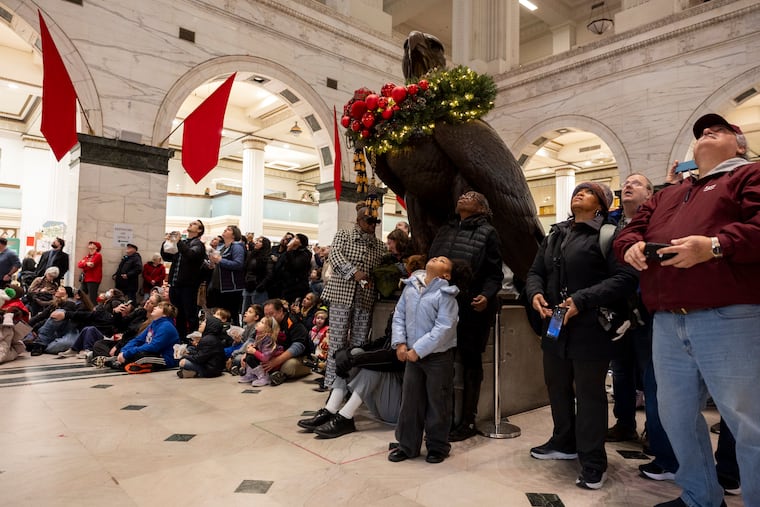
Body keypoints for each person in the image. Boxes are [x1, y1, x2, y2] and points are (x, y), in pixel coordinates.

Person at [615, 113, 760, 507]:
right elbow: (632, 227)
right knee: (675, 418)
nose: (705, 133)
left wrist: (714, 245)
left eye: (718, 130)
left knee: (748, 424)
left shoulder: (749, 176)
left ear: (740, 144)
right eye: (699, 133)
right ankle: (700, 495)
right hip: (667, 320)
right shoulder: (669, 194)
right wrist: (628, 245)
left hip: (729, 315)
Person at [526, 182, 638, 490]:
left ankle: (592, 461)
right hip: (556, 322)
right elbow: (535, 272)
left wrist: (582, 299)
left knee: (589, 395)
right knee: (556, 384)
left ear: (600, 205)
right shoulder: (555, 234)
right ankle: (563, 441)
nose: (580, 193)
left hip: (591, 326)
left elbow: (626, 278)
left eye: (588, 192)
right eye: (577, 190)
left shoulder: (609, 235)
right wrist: (535, 293)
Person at [428, 191, 504, 441]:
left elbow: (495, 273)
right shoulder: (445, 228)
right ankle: (442, 417)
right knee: (443, 361)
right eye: (461, 195)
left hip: (472, 306)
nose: (463, 197)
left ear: (482, 208)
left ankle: (468, 420)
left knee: (470, 362)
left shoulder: (488, 232)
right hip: (442, 305)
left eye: (471, 196)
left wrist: (487, 295)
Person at [387, 256, 466, 464]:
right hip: (412, 353)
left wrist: (419, 350)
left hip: (438, 357)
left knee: (438, 402)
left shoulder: (446, 294)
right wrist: (400, 343)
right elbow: (399, 315)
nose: (436, 257)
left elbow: (444, 327)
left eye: (443, 260)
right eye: (436, 256)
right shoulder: (411, 286)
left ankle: (437, 446)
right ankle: (407, 445)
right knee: (410, 402)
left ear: (446, 274)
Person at [298, 312, 405, 439]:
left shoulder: (411, 339)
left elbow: (392, 359)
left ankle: (345, 417)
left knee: (373, 366)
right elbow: (375, 345)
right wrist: (345, 353)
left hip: (397, 410)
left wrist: (353, 360)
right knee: (356, 353)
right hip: (380, 406)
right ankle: (330, 410)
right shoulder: (391, 333)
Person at [606, 174, 655, 444]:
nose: (628, 185)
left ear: (649, 194)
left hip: (645, 306)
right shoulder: (610, 221)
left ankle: (655, 430)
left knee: (650, 371)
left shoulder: (656, 220)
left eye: (636, 183)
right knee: (621, 369)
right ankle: (624, 424)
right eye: (626, 182)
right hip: (616, 306)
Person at [320, 206, 387, 389]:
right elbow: (335, 256)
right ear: (358, 220)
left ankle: (352, 384)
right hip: (341, 294)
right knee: (337, 341)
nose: (373, 225)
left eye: (376, 222)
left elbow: (382, 268)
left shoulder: (380, 246)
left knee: (360, 343)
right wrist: (354, 273)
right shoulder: (344, 235)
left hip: (365, 297)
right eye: (369, 221)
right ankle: (333, 383)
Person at [161, 220, 207, 336]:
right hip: (175, 283)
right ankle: (180, 337)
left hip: (188, 285)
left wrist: (179, 242)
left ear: (200, 230)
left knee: (190, 314)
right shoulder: (182, 243)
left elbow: (191, 255)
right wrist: (166, 242)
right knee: (178, 314)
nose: (191, 224)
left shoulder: (198, 244)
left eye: (195, 224)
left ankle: (193, 339)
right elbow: (167, 257)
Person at [116, 301, 180, 373]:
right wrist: (124, 351)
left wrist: (127, 354)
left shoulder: (166, 326)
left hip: (165, 358)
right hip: (152, 353)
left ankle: (126, 362)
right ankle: (125, 362)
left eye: (159, 307)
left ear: (165, 314)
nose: (155, 307)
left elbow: (153, 347)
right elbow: (138, 340)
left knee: (140, 355)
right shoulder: (154, 323)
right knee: (127, 351)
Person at [259, 299, 311, 385]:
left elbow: (298, 346)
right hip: (272, 354)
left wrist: (276, 361)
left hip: (296, 357)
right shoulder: (266, 322)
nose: (268, 317)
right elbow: (255, 339)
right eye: (266, 315)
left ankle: (281, 374)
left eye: (271, 314)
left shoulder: (292, 321)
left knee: (289, 367)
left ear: (280, 311)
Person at [206, 225, 246, 325]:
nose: (225, 230)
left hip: (230, 287)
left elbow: (238, 264)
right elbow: (218, 264)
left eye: (229, 230)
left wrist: (220, 260)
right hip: (218, 286)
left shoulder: (237, 246)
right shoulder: (222, 247)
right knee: (219, 315)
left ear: (234, 234)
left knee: (230, 315)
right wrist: (212, 262)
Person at [177, 312, 226, 378]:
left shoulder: (208, 339)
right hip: (214, 368)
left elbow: (199, 358)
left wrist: (185, 356)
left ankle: (197, 373)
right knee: (189, 352)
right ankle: (193, 373)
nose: (201, 324)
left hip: (211, 370)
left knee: (183, 362)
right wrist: (188, 353)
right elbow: (201, 353)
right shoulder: (211, 337)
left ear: (210, 325)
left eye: (204, 322)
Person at [237, 315, 283, 386]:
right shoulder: (259, 335)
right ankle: (251, 374)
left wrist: (254, 351)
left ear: (268, 328)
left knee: (251, 356)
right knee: (249, 356)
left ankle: (264, 377)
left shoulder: (268, 339)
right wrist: (252, 347)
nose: (258, 323)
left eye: (262, 322)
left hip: (271, 363)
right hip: (263, 360)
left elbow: (266, 357)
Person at [270, 233, 312, 304]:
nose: (293, 239)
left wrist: (289, 249)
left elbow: (295, 266)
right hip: (284, 286)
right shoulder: (289, 252)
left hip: (297, 287)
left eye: (297, 238)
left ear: (301, 243)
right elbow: (279, 265)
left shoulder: (306, 253)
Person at [242, 236, 272, 310]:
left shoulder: (267, 258)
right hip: (248, 286)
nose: (256, 242)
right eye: (257, 240)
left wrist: (260, 286)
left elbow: (269, 274)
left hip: (258, 288)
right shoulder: (251, 255)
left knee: (258, 312)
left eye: (260, 241)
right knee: (245, 312)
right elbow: (246, 270)